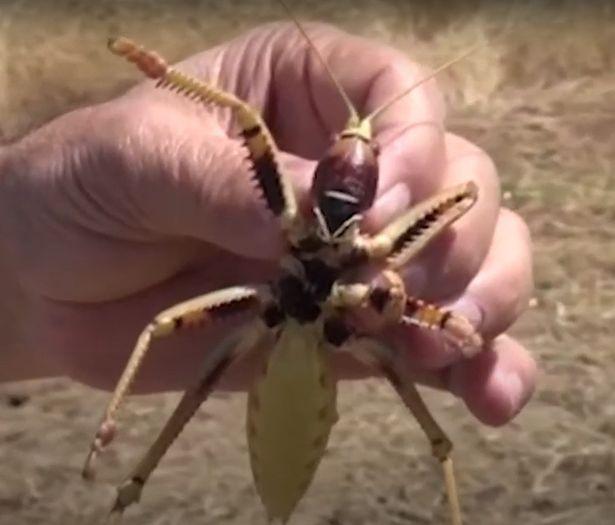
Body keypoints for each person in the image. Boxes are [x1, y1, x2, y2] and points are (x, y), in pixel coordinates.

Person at [0, 23, 535, 427]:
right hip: (261, 323)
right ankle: (129, 468)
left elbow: (461, 196)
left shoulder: (377, 239)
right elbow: (249, 121)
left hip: (341, 335)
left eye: (365, 146)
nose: (353, 144)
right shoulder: (289, 205)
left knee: (429, 400)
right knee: (178, 362)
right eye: (344, 142)